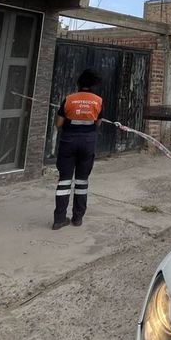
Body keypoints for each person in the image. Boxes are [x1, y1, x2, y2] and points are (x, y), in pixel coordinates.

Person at [52, 69, 104, 230]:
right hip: (88, 143)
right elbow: (98, 123)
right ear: (92, 85)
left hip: (68, 141)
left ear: (78, 84)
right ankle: (78, 218)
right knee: (82, 181)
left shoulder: (69, 99)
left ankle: (59, 220)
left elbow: (58, 124)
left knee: (64, 180)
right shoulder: (98, 101)